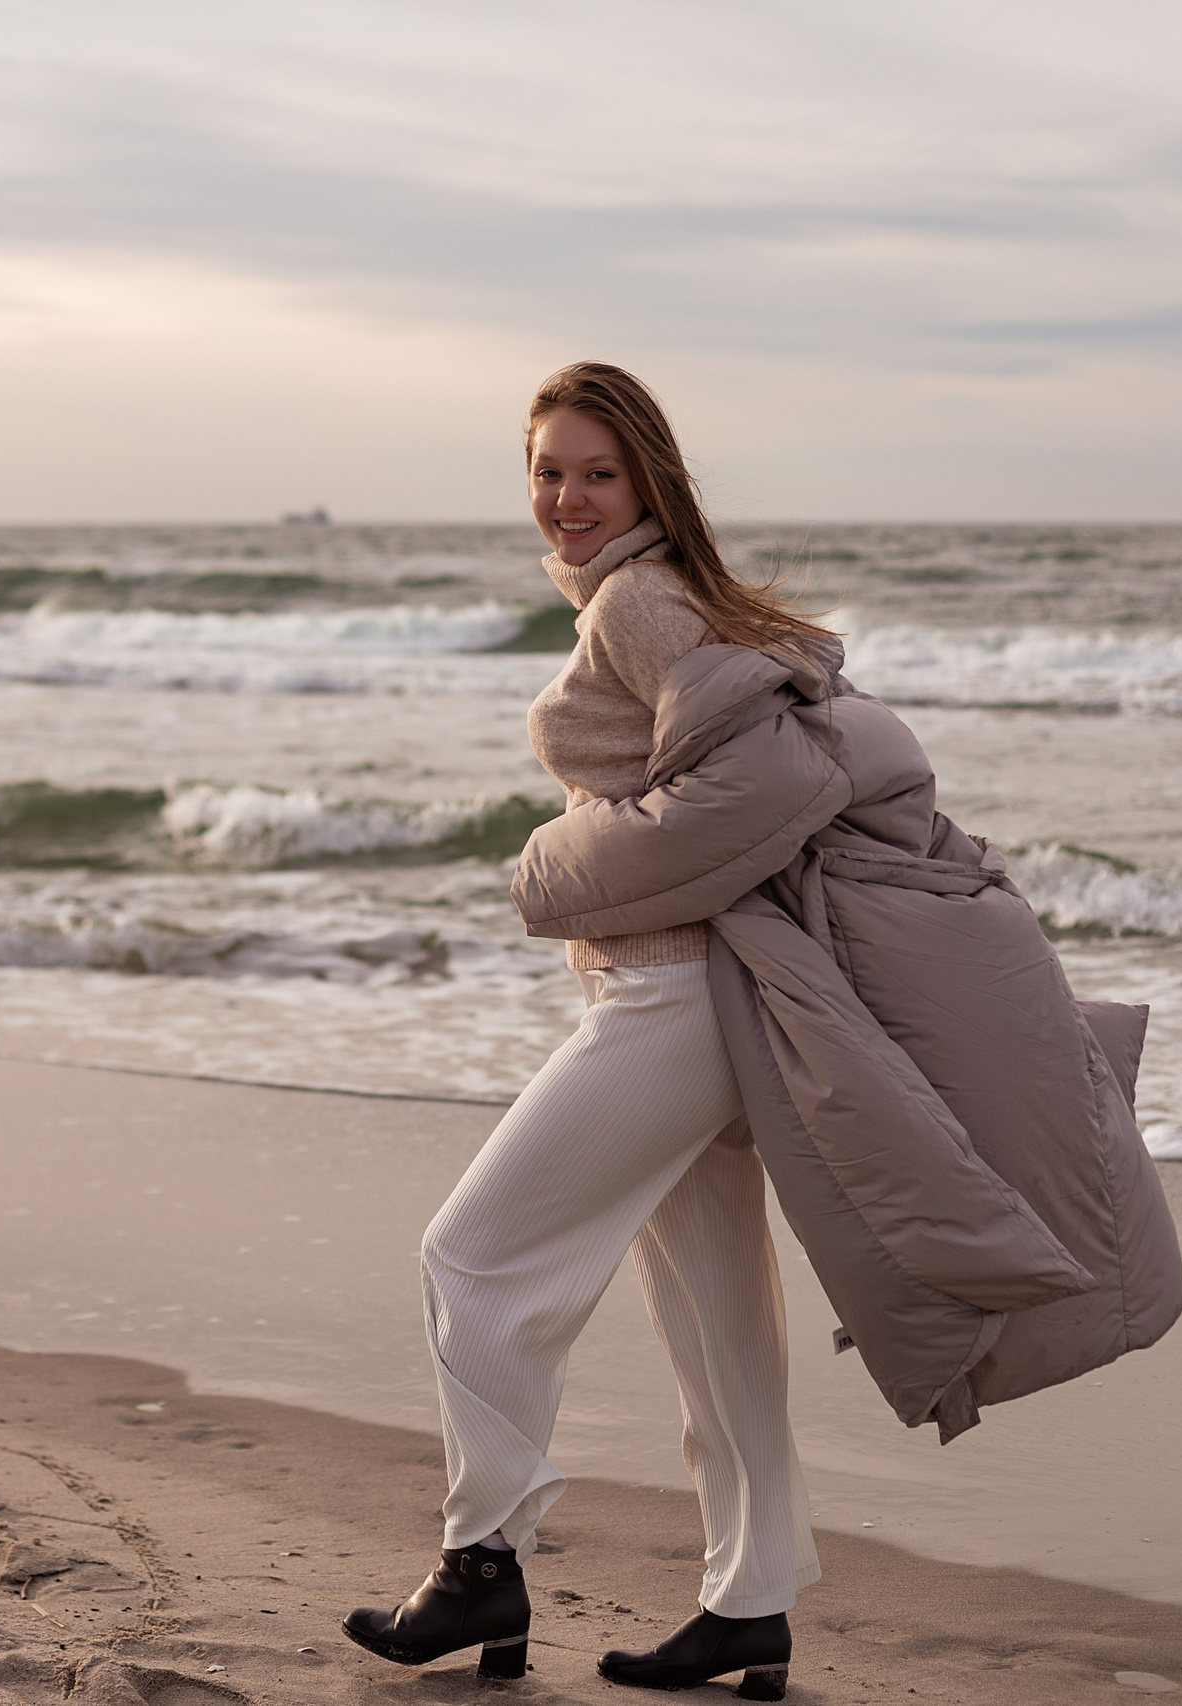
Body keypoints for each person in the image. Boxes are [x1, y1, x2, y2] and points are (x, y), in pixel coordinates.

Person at [343, 362, 831, 1698]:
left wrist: (564, 859)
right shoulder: (652, 594)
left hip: (668, 1000)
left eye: (593, 471)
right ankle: (752, 1600)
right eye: (547, 471)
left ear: (648, 481)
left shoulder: (640, 599)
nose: (565, 496)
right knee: (718, 1309)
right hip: (691, 995)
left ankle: (481, 1558)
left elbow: (761, 781)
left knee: (475, 1256)